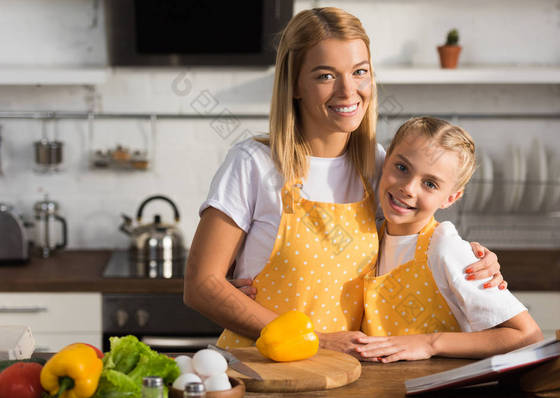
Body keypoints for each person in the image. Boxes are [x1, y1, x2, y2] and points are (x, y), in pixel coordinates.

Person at [184, 7, 505, 358]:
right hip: (263, 371)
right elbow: (201, 286)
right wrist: (315, 340)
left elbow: (417, 241)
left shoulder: (378, 165)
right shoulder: (254, 164)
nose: (348, 91)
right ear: (293, 84)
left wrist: (473, 263)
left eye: (360, 72)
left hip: (345, 375)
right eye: (325, 76)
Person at [355, 117, 543, 362]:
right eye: (402, 168)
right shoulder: (374, 235)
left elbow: (528, 335)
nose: (409, 188)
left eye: (430, 184)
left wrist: (431, 343)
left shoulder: (444, 246)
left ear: (450, 198)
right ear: (385, 160)